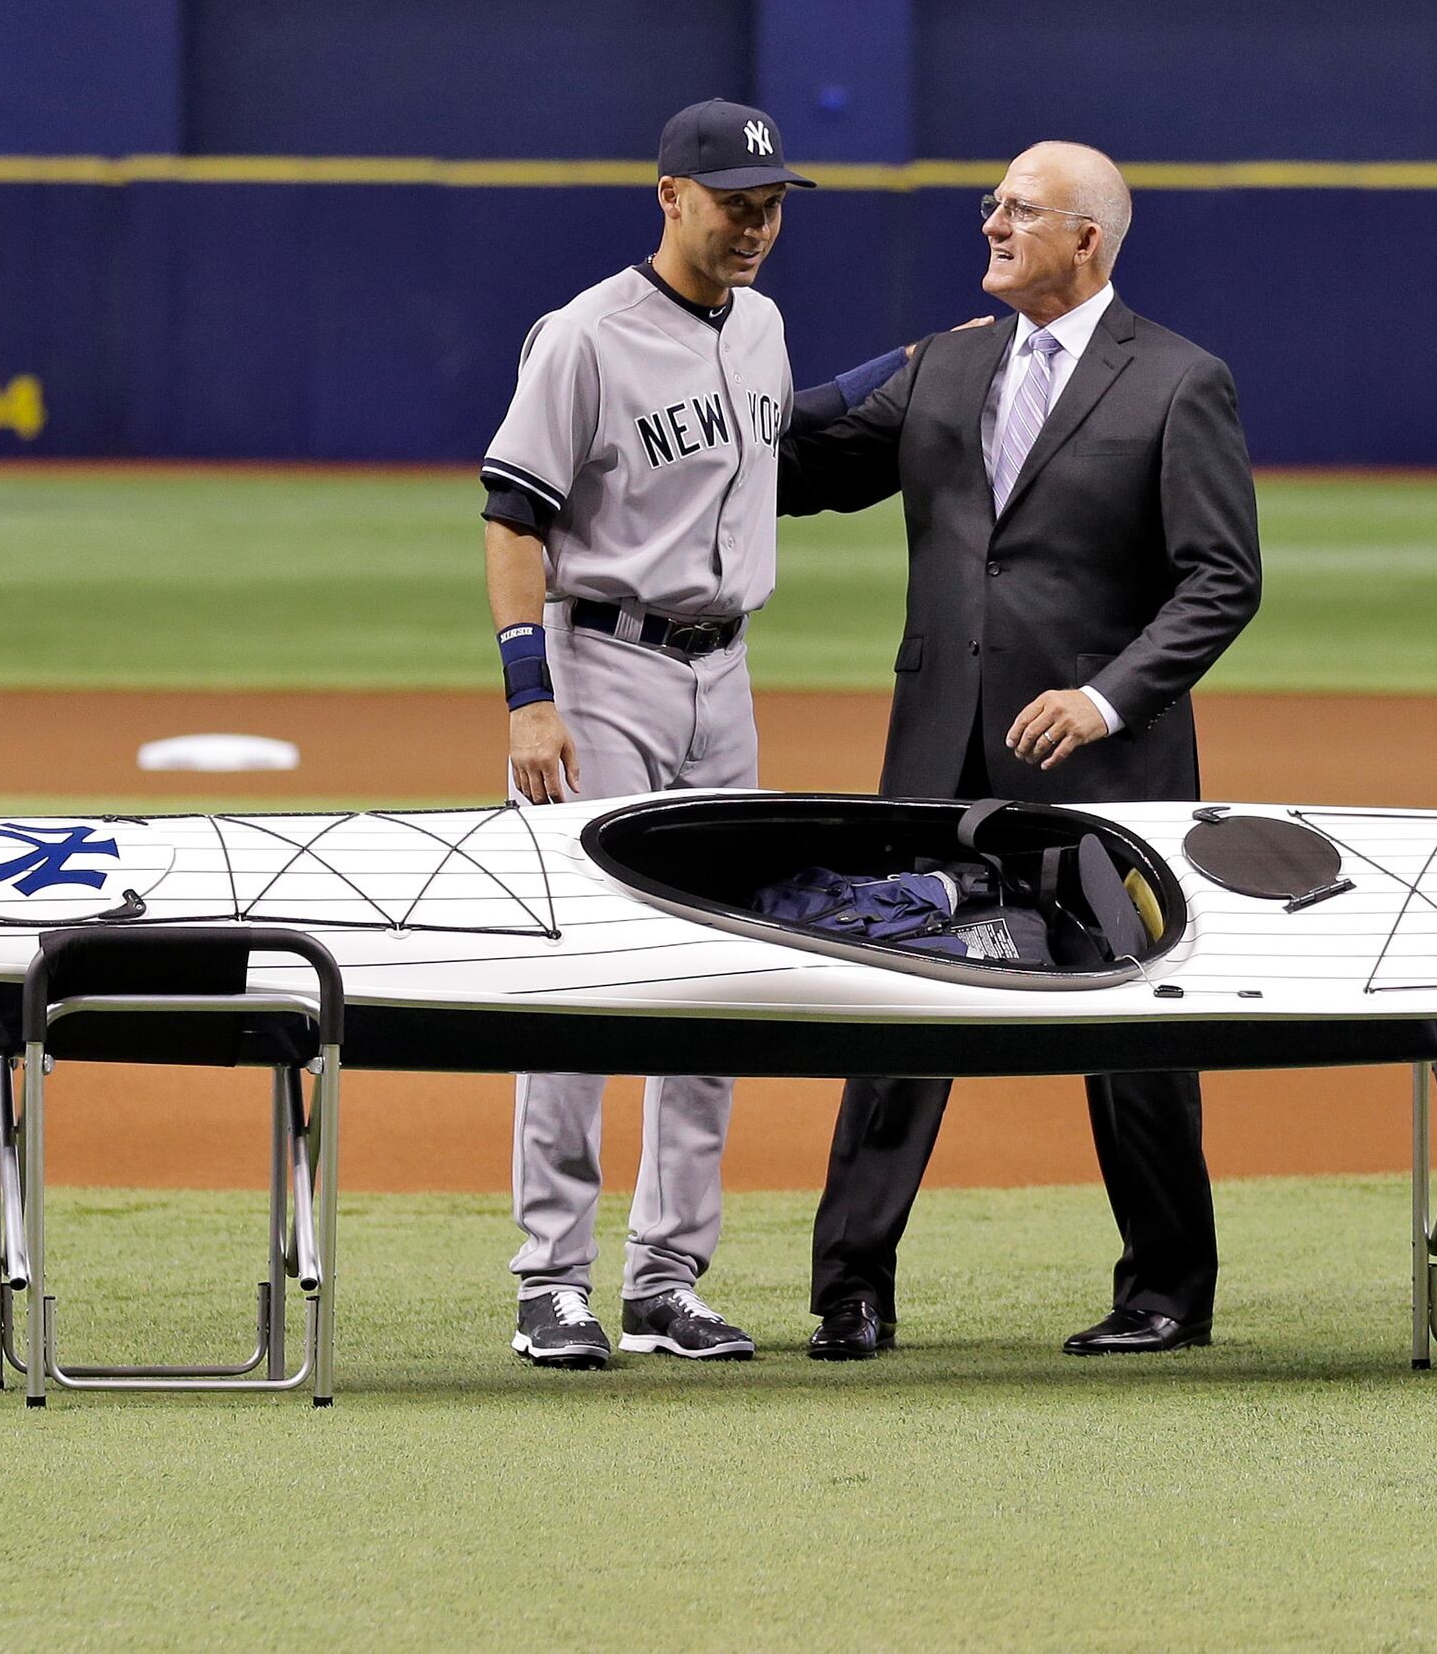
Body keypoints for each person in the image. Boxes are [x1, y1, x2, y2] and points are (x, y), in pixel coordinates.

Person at [777, 140, 1263, 1361]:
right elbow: (785, 465)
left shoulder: (1178, 380)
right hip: (940, 748)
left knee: (1137, 1028)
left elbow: (1222, 579)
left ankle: (1165, 1289)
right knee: (895, 1004)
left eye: (1018, 210)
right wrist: (696, 379)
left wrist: (1107, 699)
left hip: (1109, 763)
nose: (990, 223)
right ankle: (852, 1287)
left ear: (1087, 235)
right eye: (990, 204)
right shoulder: (942, 366)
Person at [476, 98, 811, 1368]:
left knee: (720, 967)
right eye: (734, 203)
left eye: (771, 205)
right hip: (600, 666)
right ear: (670, 193)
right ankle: (549, 1275)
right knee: (585, 966)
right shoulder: (585, 337)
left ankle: (668, 1274)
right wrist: (528, 690)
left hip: (724, 677)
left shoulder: (765, 328)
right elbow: (513, 519)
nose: (756, 227)